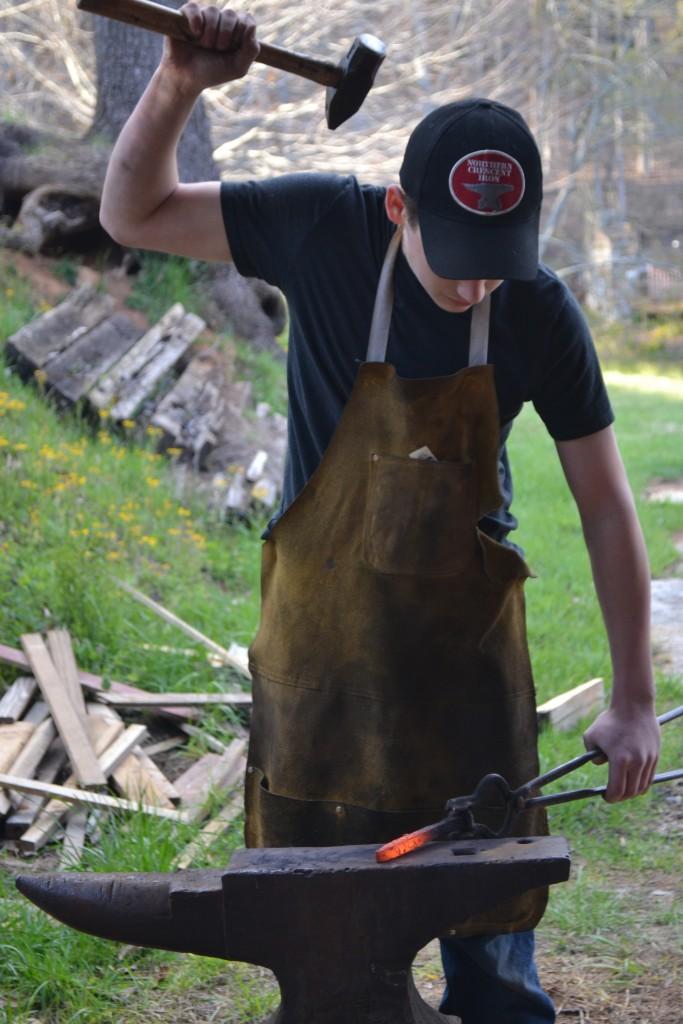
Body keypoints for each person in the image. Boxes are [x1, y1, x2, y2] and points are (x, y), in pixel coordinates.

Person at [99, 6, 661, 1022]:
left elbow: (607, 508)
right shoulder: (318, 226)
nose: (479, 279)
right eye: (457, 254)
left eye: (501, 252)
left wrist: (630, 693)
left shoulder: (538, 310)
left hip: (465, 680)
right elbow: (132, 215)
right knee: (323, 939)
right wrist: (178, 79)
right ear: (399, 208)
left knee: (492, 954)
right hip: (322, 666)